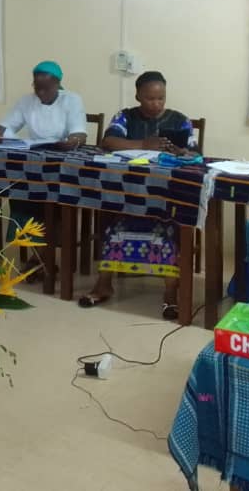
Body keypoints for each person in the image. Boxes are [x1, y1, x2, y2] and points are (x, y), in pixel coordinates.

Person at [78, 71, 197, 319]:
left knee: (169, 229)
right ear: (138, 97)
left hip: (165, 198)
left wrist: (182, 151)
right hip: (128, 194)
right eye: (150, 98)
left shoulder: (180, 121)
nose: (156, 104)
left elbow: (195, 155)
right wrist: (143, 144)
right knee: (112, 224)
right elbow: (108, 142)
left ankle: (170, 294)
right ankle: (103, 284)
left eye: (161, 98)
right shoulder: (125, 117)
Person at [0, 61, 87, 278]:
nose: (41, 92)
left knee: (55, 195)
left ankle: (45, 256)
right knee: (21, 191)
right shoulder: (27, 101)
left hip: (62, 165)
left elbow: (79, 133)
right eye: (37, 87)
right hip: (34, 163)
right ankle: (39, 255)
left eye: (46, 88)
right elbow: (6, 125)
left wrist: (73, 140)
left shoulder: (71, 100)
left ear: (58, 84)